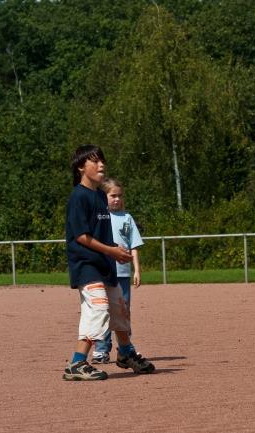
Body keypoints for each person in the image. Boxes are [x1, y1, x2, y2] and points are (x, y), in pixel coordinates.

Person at [62, 145, 155, 381]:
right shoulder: (78, 196)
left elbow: (102, 232)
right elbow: (81, 236)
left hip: (105, 263)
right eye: (95, 161)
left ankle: (125, 353)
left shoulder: (99, 196)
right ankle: (77, 363)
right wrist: (112, 251)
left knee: (119, 309)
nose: (102, 165)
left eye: (102, 160)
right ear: (82, 167)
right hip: (86, 265)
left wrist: (116, 250)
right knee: (99, 308)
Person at [92, 178, 144, 364]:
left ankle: (125, 347)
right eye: (112, 195)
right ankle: (101, 349)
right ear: (103, 196)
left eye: (119, 196)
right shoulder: (100, 216)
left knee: (123, 311)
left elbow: (134, 246)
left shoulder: (127, 218)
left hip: (123, 273)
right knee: (104, 311)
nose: (116, 199)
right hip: (104, 271)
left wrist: (136, 270)